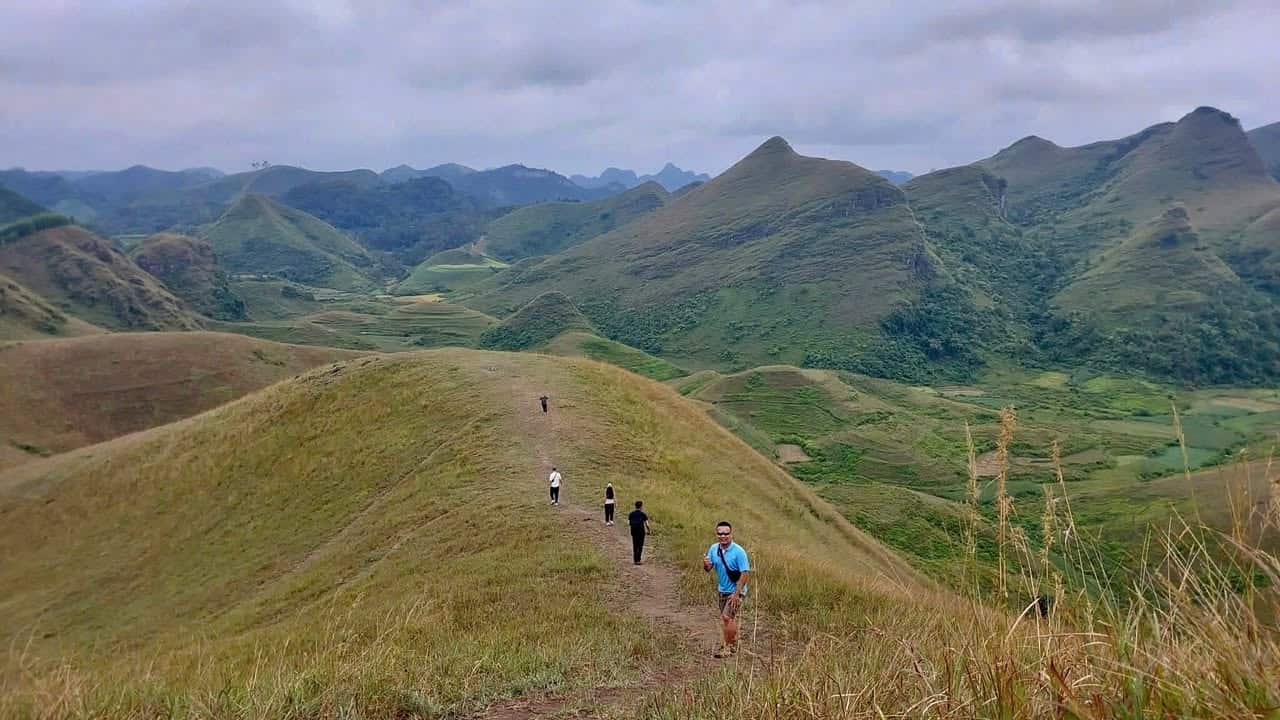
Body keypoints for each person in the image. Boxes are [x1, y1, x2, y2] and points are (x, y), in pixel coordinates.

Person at [703, 520, 750, 658]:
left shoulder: (739, 552)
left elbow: (745, 573)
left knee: (727, 617)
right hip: (722, 589)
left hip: (736, 591)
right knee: (729, 619)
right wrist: (705, 564)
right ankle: (734, 643)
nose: (723, 536)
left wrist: (736, 594)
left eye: (726, 534)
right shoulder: (713, 549)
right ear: (716, 534)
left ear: (731, 534)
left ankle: (726, 647)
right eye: (720, 534)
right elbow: (708, 569)